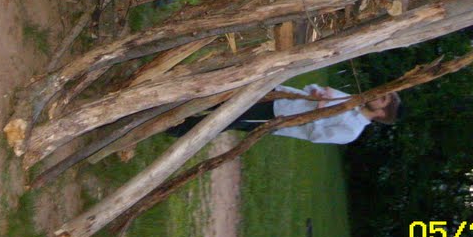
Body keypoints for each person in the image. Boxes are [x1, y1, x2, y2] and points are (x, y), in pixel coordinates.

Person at [167, 84, 401, 144]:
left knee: (219, 121)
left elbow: (316, 135)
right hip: (281, 96)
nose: (375, 96)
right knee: (225, 99)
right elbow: (312, 89)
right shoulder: (353, 102)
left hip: (277, 118)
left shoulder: (352, 131)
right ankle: (173, 107)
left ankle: (173, 128)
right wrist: (319, 92)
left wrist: (320, 110)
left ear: (381, 113)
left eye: (381, 99)